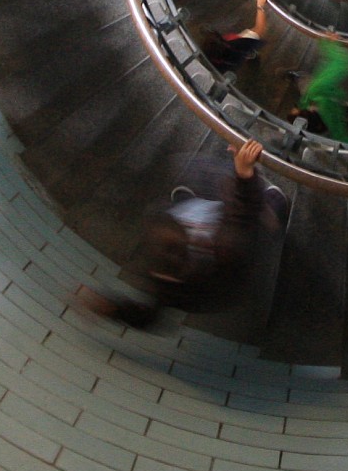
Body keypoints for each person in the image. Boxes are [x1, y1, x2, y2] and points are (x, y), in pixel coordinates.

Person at [74, 138, 282, 329]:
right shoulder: (226, 248)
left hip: (211, 235)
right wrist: (244, 174)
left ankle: (189, 201)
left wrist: (111, 309)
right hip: (242, 240)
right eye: (184, 226)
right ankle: (274, 204)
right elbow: (241, 213)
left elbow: (148, 315)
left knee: (189, 179)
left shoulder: (163, 266)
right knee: (264, 209)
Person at [287, 39, 348, 143]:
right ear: (311, 110)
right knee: (306, 84)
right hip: (323, 95)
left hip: (330, 105)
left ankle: (295, 77)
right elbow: (343, 63)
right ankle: (296, 77)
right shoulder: (315, 91)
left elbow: (343, 138)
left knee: (305, 85)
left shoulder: (329, 122)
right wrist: (328, 42)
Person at [203, 0, 270, 77]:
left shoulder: (212, 55)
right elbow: (260, 29)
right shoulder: (236, 44)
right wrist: (260, 5)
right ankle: (250, 56)